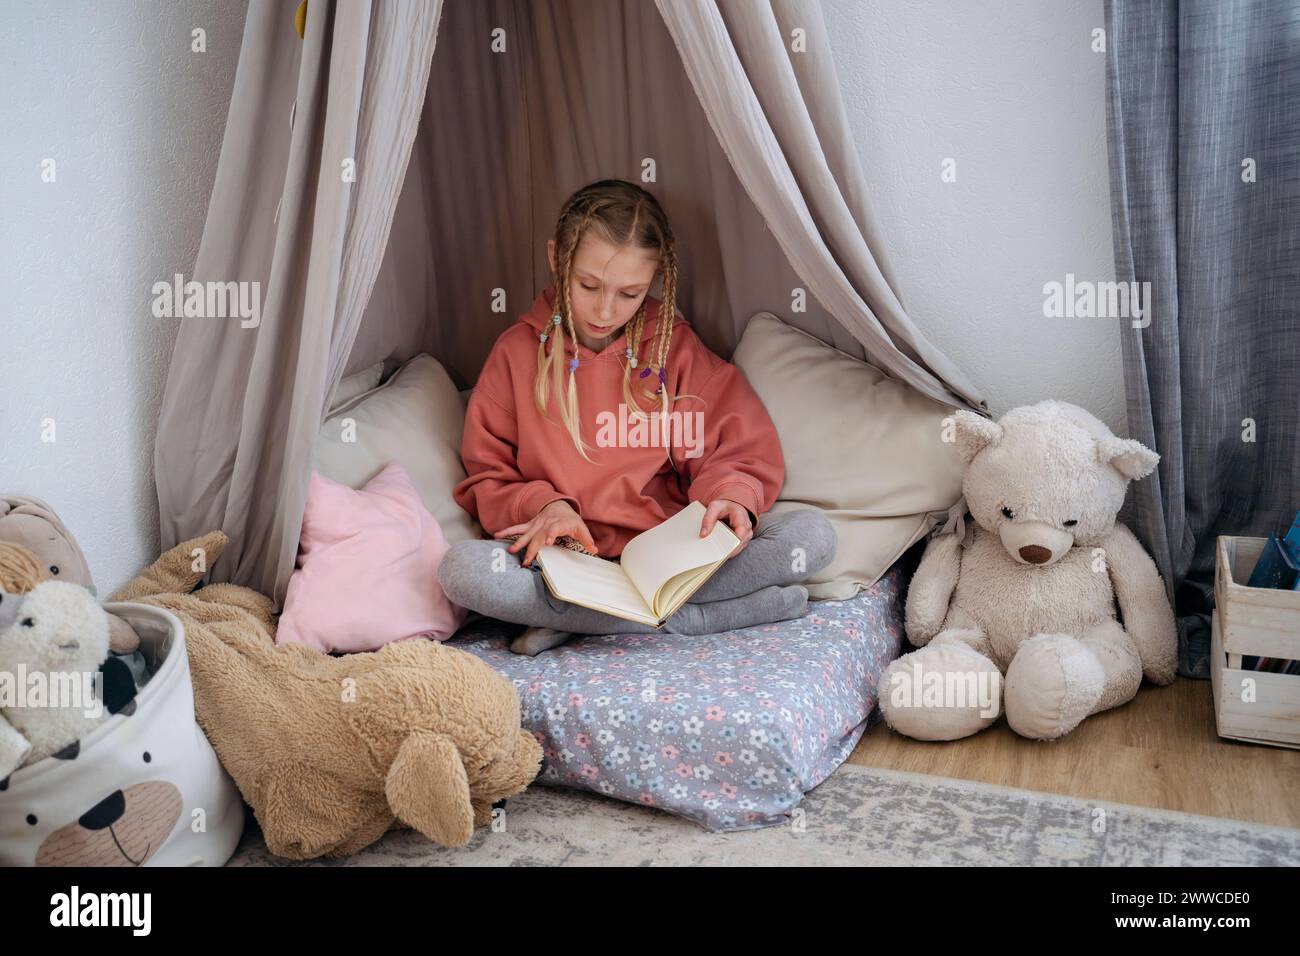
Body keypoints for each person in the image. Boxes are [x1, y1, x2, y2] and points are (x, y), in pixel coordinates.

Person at [438, 179, 835, 654]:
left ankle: (586, 623)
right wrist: (545, 507)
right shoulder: (515, 353)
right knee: (462, 570)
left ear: (654, 281)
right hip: (564, 562)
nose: (605, 310)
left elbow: (737, 444)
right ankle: (698, 617)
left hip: (667, 562)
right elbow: (489, 473)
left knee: (812, 536)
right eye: (588, 285)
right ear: (554, 258)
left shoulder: (675, 348)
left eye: (629, 293)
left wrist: (731, 496)